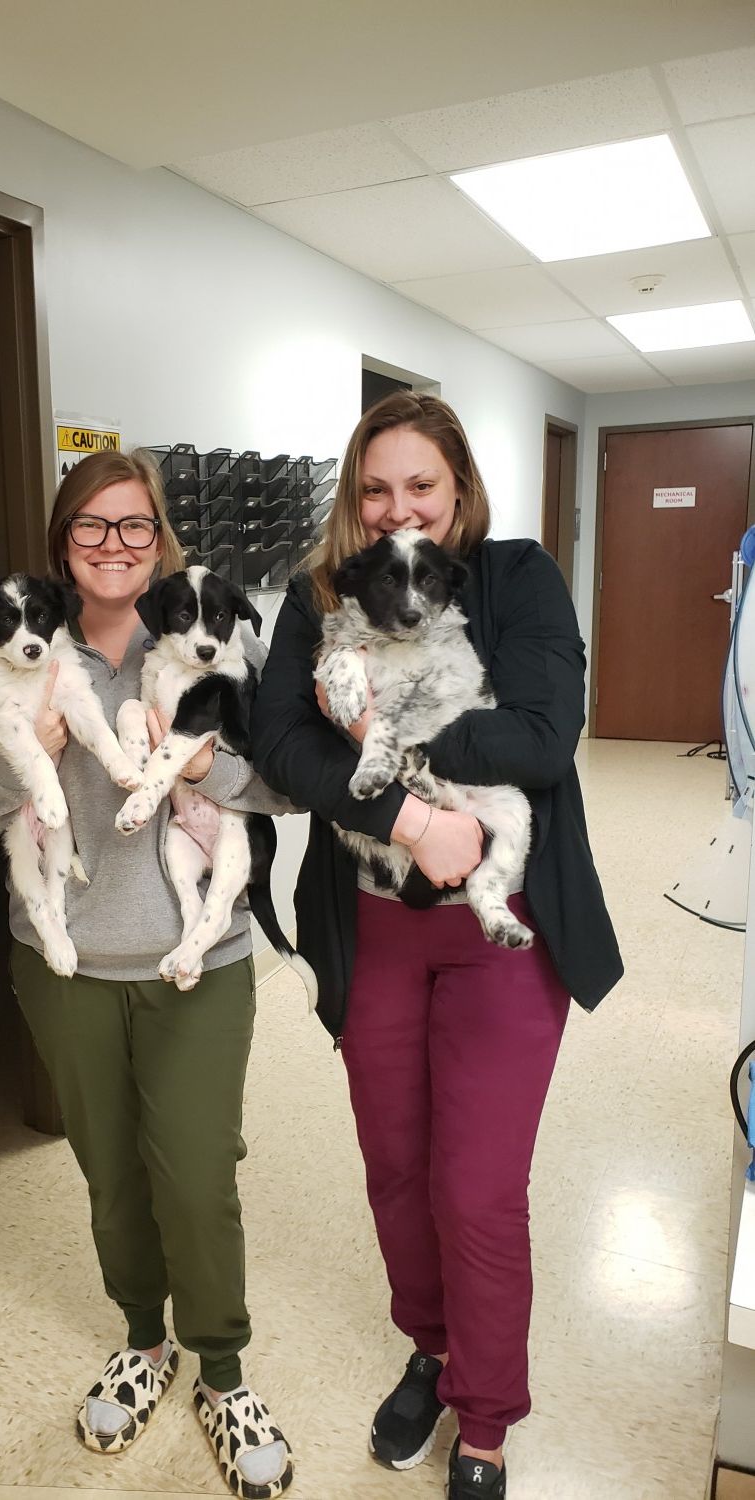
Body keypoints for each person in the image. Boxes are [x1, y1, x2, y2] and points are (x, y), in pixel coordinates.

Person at [251, 393, 622, 1500]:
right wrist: (411, 816)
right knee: (397, 1169)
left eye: (420, 484)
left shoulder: (515, 577)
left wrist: (378, 733)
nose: (396, 507)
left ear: (458, 487)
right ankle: (432, 1346)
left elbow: (542, 737)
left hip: (499, 931)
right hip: (373, 927)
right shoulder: (320, 597)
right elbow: (281, 744)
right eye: (374, 489)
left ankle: (487, 1416)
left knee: (476, 1186)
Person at [0, 448, 295, 1500]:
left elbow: (283, 790)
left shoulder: (204, 632)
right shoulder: (16, 656)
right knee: (109, 1173)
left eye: (134, 524)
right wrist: (25, 757)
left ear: (160, 538)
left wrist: (201, 760)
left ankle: (223, 1372)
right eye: (91, 526)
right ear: (64, 546)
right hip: (66, 967)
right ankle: (144, 1342)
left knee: (197, 1173)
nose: (114, 544)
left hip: (199, 960)